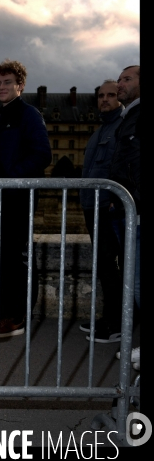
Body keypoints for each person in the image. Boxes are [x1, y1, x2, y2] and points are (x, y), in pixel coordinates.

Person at [0, 59, 52, 338]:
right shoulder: (1, 119)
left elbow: (42, 155)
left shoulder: (29, 115)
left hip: (17, 198)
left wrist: (12, 178)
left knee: (18, 257)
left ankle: (17, 317)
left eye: (7, 82)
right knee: (7, 257)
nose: (1, 87)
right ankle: (7, 311)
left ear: (20, 85)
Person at [78, 80, 124, 343]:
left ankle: (115, 324)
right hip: (93, 205)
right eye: (101, 96)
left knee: (111, 267)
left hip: (109, 207)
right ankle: (110, 318)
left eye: (111, 95)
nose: (104, 100)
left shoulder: (121, 127)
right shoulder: (102, 130)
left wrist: (112, 200)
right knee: (105, 266)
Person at [108, 65, 140, 371]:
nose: (120, 83)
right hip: (127, 208)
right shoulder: (128, 115)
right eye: (119, 78)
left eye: (127, 78)